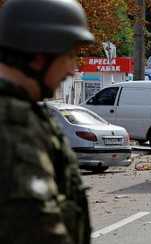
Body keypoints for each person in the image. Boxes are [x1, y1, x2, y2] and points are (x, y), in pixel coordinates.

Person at [0, 0, 95, 243]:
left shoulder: (26, 113)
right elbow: (35, 226)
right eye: (70, 56)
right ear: (40, 58)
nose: (73, 70)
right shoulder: (12, 124)